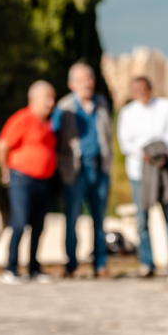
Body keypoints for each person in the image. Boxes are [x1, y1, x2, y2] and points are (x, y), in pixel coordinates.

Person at [116, 76, 168, 284]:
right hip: (139, 173)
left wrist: (160, 150)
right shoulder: (127, 113)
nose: (140, 92)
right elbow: (125, 143)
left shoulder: (167, 106)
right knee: (142, 219)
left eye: (143, 88)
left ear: (150, 88)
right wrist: (144, 152)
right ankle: (146, 263)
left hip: (164, 170)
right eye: (136, 89)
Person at [52, 62, 113, 278]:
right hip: (75, 171)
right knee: (72, 219)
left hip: (100, 168)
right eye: (81, 79)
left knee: (99, 219)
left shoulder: (102, 103)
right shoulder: (64, 107)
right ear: (71, 84)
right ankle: (71, 264)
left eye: (89, 78)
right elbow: (53, 137)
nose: (87, 83)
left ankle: (100, 264)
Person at [0, 81, 58, 285]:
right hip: (22, 178)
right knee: (20, 223)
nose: (51, 102)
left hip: (43, 181)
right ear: (33, 99)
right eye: (47, 98)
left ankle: (33, 268)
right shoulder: (22, 118)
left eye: (53, 98)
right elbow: (2, 145)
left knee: (39, 226)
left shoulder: (49, 123)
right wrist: (6, 169)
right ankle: (10, 268)